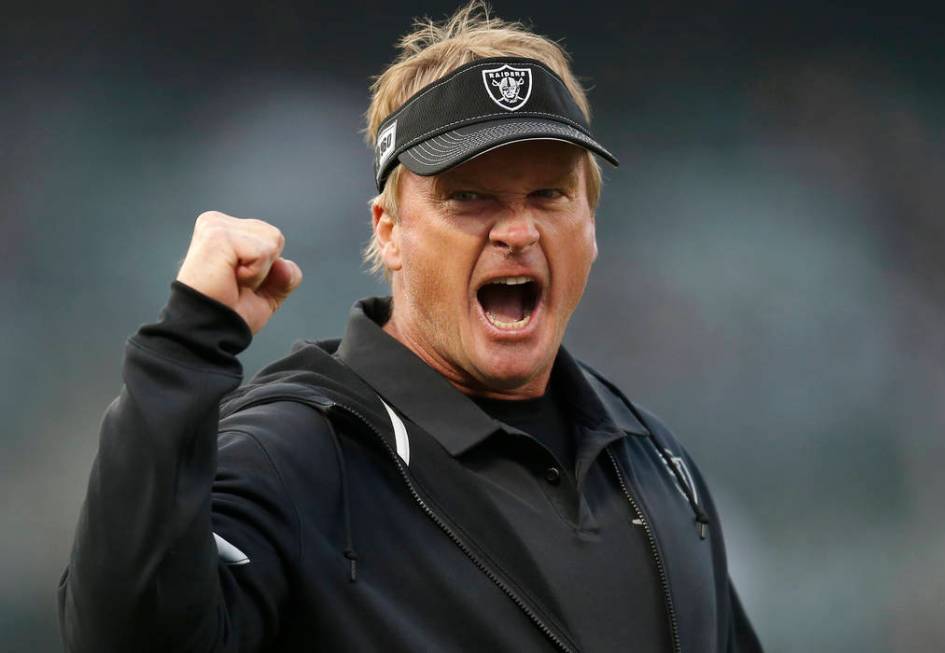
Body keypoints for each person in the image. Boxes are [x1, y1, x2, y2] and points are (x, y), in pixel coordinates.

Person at [58, 2, 762, 651]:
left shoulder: (656, 467)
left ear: (590, 223)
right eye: (469, 197)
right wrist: (184, 347)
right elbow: (126, 634)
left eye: (549, 193)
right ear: (389, 232)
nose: (517, 229)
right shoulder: (294, 455)